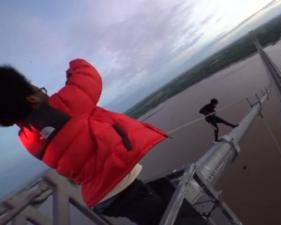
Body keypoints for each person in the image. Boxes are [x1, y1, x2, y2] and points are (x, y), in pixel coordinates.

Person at [0, 59, 168, 225]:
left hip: (102, 197)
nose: (46, 93)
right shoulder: (61, 106)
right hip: (122, 186)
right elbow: (88, 79)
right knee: (168, 217)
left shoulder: (28, 140)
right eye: (40, 89)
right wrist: (75, 65)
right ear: (32, 99)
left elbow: (67, 128)